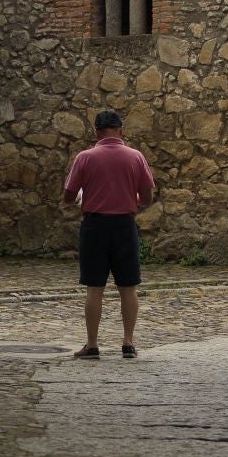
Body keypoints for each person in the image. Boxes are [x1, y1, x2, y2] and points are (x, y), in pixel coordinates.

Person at [62, 109, 156, 359]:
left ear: (96, 132)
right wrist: (130, 198)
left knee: (94, 288)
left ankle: (92, 344)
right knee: (128, 287)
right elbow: (147, 197)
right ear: (121, 130)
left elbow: (68, 196)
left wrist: (84, 196)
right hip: (124, 225)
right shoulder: (136, 157)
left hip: (95, 227)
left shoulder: (84, 157)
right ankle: (128, 343)